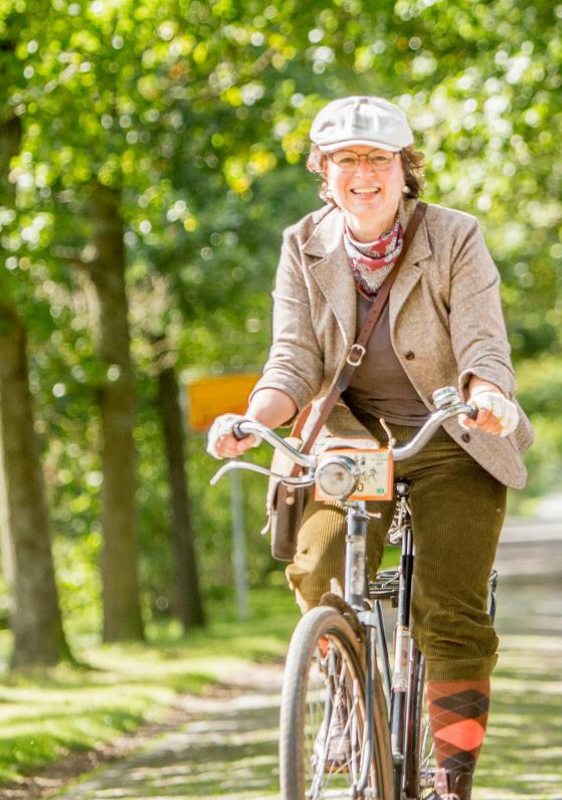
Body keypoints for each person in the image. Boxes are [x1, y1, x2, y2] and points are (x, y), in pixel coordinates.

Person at [207, 96, 530, 800]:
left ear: (404, 169)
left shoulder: (455, 237)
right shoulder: (303, 243)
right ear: (324, 172)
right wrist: (252, 418)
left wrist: (490, 394)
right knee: (318, 565)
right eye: (346, 160)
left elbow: (482, 339)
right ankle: (353, 702)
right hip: (349, 435)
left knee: (450, 609)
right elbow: (291, 358)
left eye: (378, 159)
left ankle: (453, 778)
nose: (363, 174)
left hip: (451, 432)